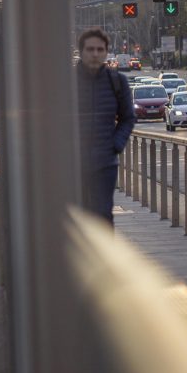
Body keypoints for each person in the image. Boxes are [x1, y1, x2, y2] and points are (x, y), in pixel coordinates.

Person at [75, 28, 136, 225]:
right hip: (73, 164)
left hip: (105, 164)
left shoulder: (116, 81)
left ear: (106, 52)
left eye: (100, 50)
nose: (95, 54)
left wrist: (115, 144)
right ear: (81, 51)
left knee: (103, 215)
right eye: (90, 49)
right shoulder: (66, 81)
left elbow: (128, 117)